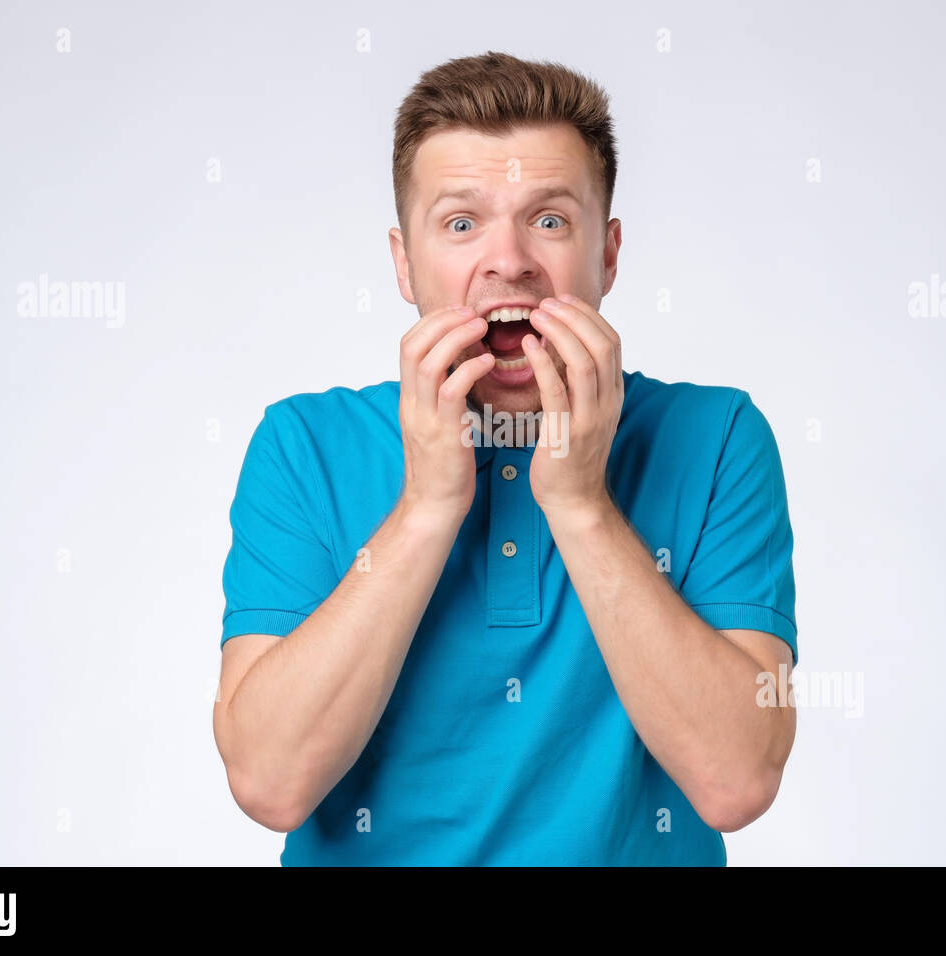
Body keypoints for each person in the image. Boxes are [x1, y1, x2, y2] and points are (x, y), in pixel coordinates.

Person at [212, 50, 799, 866]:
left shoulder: (717, 435)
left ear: (609, 254)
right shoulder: (304, 446)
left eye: (550, 219)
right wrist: (426, 508)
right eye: (460, 223)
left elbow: (737, 781)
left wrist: (583, 505)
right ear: (402, 261)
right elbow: (270, 783)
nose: (510, 260)